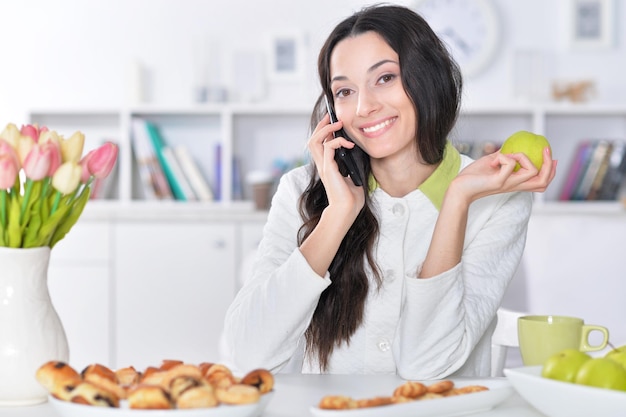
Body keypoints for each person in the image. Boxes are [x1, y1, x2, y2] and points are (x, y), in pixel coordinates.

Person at [222, 4, 556, 379]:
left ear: (427, 77)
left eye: (385, 78)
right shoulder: (300, 190)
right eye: (345, 90)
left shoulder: (496, 197)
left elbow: (427, 366)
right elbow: (245, 359)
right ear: (333, 112)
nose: (364, 107)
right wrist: (336, 217)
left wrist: (457, 200)